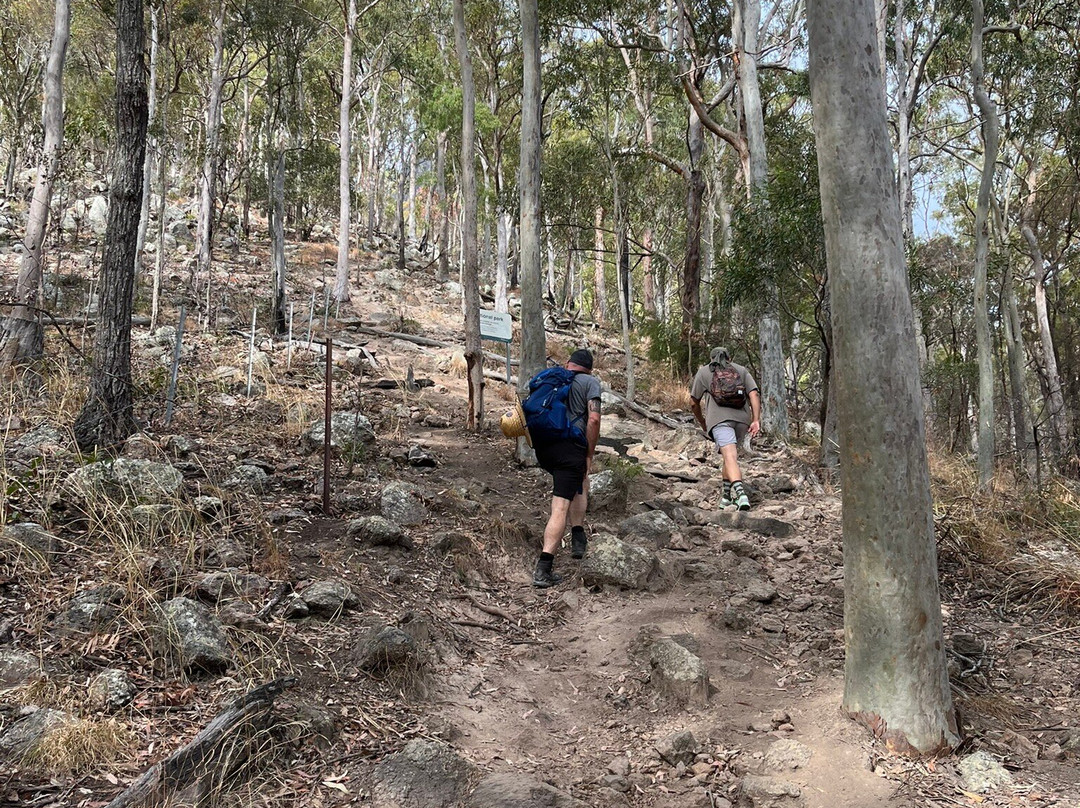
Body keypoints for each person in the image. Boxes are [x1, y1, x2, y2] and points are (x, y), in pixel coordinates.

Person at [531, 348, 602, 588]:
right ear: (589, 368)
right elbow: (593, 419)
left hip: (545, 448)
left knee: (579, 481)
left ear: (569, 363)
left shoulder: (552, 378)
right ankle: (544, 568)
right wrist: (589, 454)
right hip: (570, 448)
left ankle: (578, 539)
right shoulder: (590, 383)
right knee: (560, 507)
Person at [690, 347, 761, 511]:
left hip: (719, 420)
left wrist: (702, 421)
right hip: (742, 421)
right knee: (728, 457)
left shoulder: (704, 372)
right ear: (729, 357)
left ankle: (741, 496)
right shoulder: (741, 370)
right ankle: (726, 498)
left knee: (730, 457)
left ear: (711, 358)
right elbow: (754, 394)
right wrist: (756, 419)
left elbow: (694, 402)